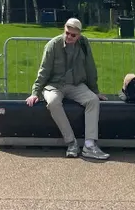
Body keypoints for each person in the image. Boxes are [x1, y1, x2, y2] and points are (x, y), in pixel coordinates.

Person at [26, 17, 110, 160]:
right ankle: (71, 142)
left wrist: (95, 91)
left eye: (73, 35)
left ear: (79, 35)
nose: (69, 37)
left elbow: (90, 68)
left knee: (93, 100)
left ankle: (90, 145)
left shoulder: (84, 44)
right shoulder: (52, 45)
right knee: (53, 102)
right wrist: (35, 93)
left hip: (76, 84)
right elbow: (43, 71)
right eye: (67, 33)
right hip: (54, 85)